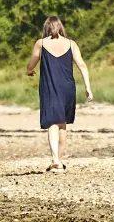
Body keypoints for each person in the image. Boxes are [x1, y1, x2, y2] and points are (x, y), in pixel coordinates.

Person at [24, 16, 92, 173]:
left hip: (50, 87)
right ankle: (59, 161)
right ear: (61, 27)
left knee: (53, 122)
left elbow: (31, 63)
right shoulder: (71, 44)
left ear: (46, 28)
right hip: (68, 87)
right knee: (62, 123)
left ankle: (55, 160)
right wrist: (88, 87)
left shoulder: (41, 43)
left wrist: (29, 71)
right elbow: (82, 65)